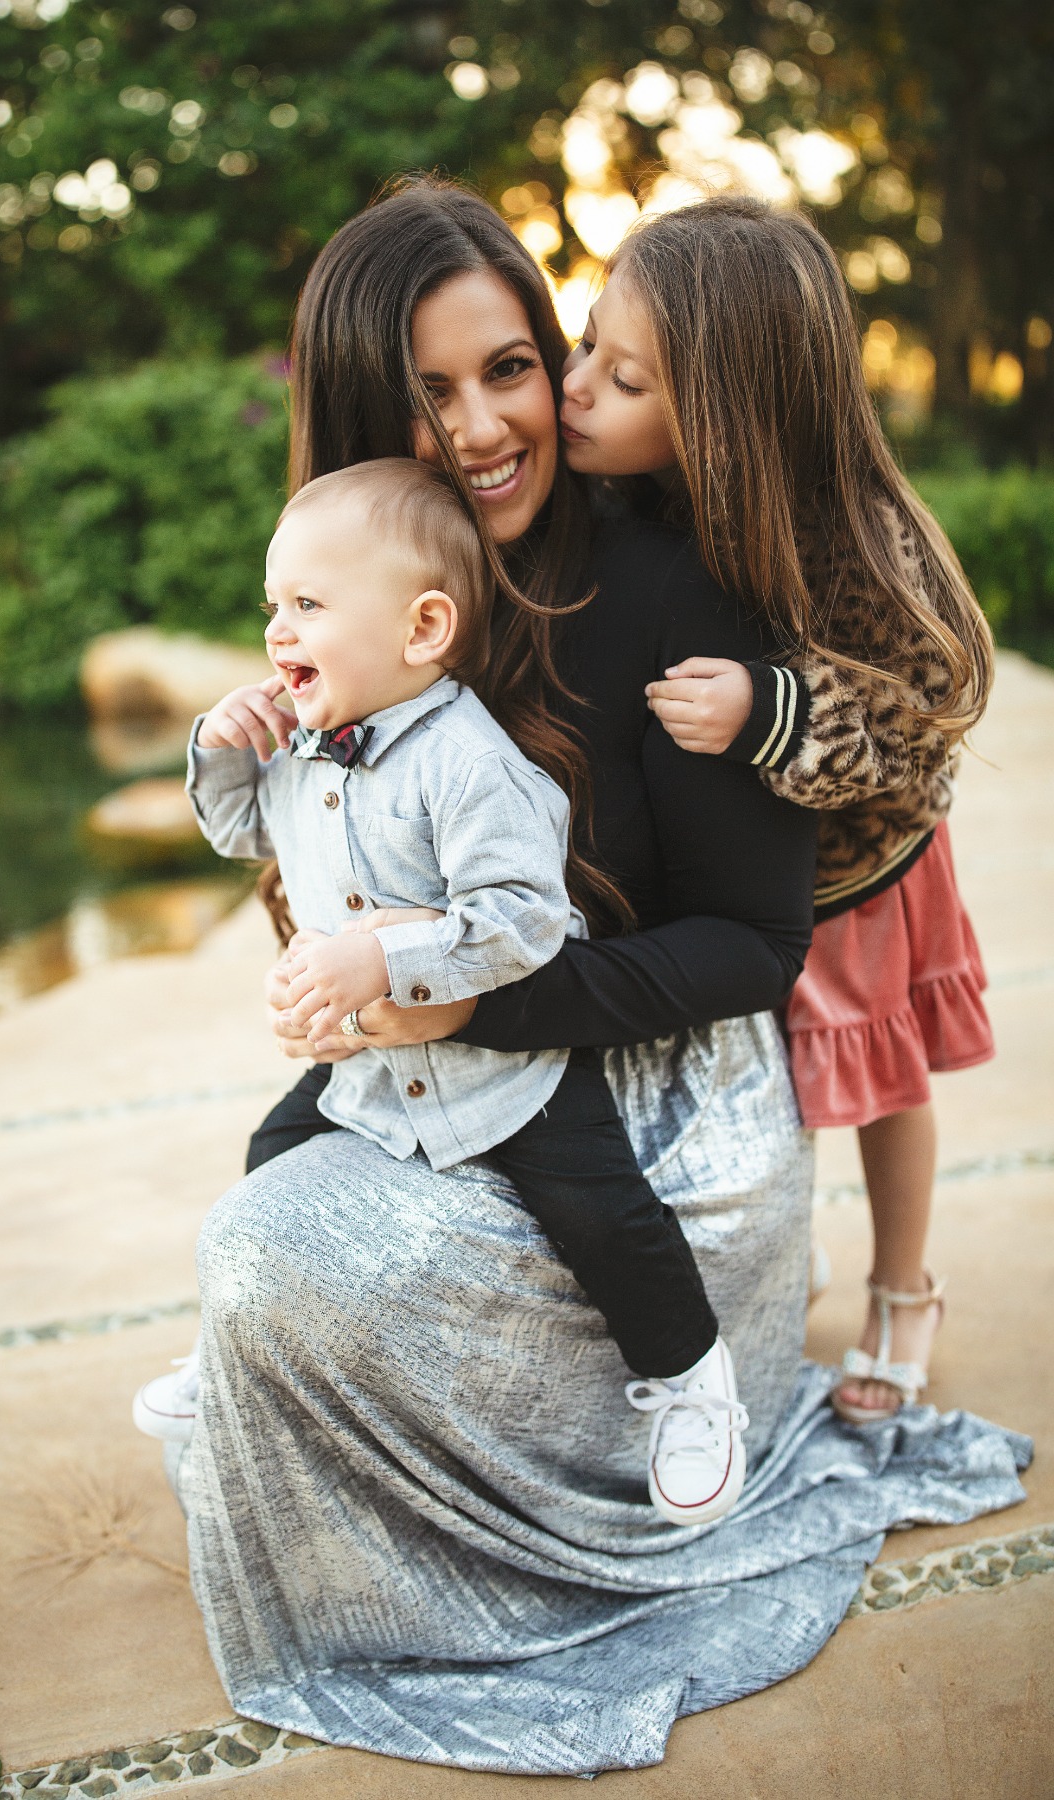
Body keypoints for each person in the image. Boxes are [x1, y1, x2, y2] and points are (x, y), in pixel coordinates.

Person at [133, 180, 1025, 1777]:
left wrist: (476, 1002)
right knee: (258, 1241)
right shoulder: (359, 610)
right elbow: (333, 897)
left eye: (513, 367)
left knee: (271, 1265)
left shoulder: (681, 592)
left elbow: (756, 950)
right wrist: (268, 780)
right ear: (362, 417)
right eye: (427, 392)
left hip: (665, 1125)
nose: (485, 426)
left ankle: (678, 1397)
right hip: (455, 1081)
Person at [184, 456, 748, 1524]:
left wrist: (376, 960)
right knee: (270, 1160)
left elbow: (526, 922)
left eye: (308, 605)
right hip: (381, 1070)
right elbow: (237, 828)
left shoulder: (468, 763)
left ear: (424, 627)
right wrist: (220, 751)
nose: (277, 633)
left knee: (603, 1214)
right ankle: (230, 1362)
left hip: (509, 1068)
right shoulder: (306, 753)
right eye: (273, 607)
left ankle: (691, 1380)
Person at [560, 195, 995, 1425]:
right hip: (744, 883)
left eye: (622, 375)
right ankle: (772, 1253)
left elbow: (935, 709)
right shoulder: (644, 499)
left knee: (878, 1079)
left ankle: (904, 1284)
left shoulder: (859, 537)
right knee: (769, 1077)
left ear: (726, 414)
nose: (580, 387)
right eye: (587, 345)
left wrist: (775, 707)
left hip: (860, 873)